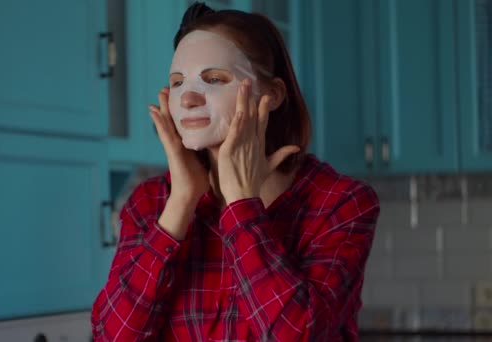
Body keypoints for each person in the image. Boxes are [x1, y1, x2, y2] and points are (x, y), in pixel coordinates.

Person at [91, 2, 380, 341]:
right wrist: (182, 201)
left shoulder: (341, 203)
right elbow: (112, 336)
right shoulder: (150, 203)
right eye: (178, 82)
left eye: (214, 79)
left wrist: (242, 204)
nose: (187, 99)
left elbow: (297, 335)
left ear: (271, 95)